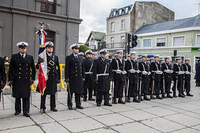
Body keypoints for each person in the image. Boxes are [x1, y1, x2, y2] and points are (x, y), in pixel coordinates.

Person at [8, 42, 36, 117]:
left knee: (26, 96)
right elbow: (11, 69)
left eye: (24, 48)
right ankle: (17, 110)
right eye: (21, 48)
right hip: (17, 79)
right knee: (18, 96)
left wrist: (32, 79)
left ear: (26, 49)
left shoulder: (30, 57)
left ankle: (26, 111)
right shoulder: (14, 57)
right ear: (19, 49)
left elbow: (33, 69)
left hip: (26, 80)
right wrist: (10, 80)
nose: (23, 49)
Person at [38, 41, 60, 113]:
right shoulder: (42, 56)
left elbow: (58, 68)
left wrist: (58, 78)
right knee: (43, 93)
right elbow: (37, 67)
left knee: (53, 93)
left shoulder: (55, 57)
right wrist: (40, 63)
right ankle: (42, 107)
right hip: (45, 78)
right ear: (46, 48)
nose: (50, 49)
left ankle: (53, 107)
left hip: (53, 78)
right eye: (49, 47)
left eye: (51, 47)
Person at [65, 43, 85, 110]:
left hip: (79, 77)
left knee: (78, 92)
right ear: (73, 50)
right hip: (72, 77)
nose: (77, 50)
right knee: (71, 92)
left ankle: (78, 104)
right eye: (76, 49)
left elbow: (82, 68)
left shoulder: (80, 57)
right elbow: (66, 68)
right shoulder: (69, 57)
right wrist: (66, 78)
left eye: (78, 49)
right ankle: (70, 105)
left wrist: (83, 76)